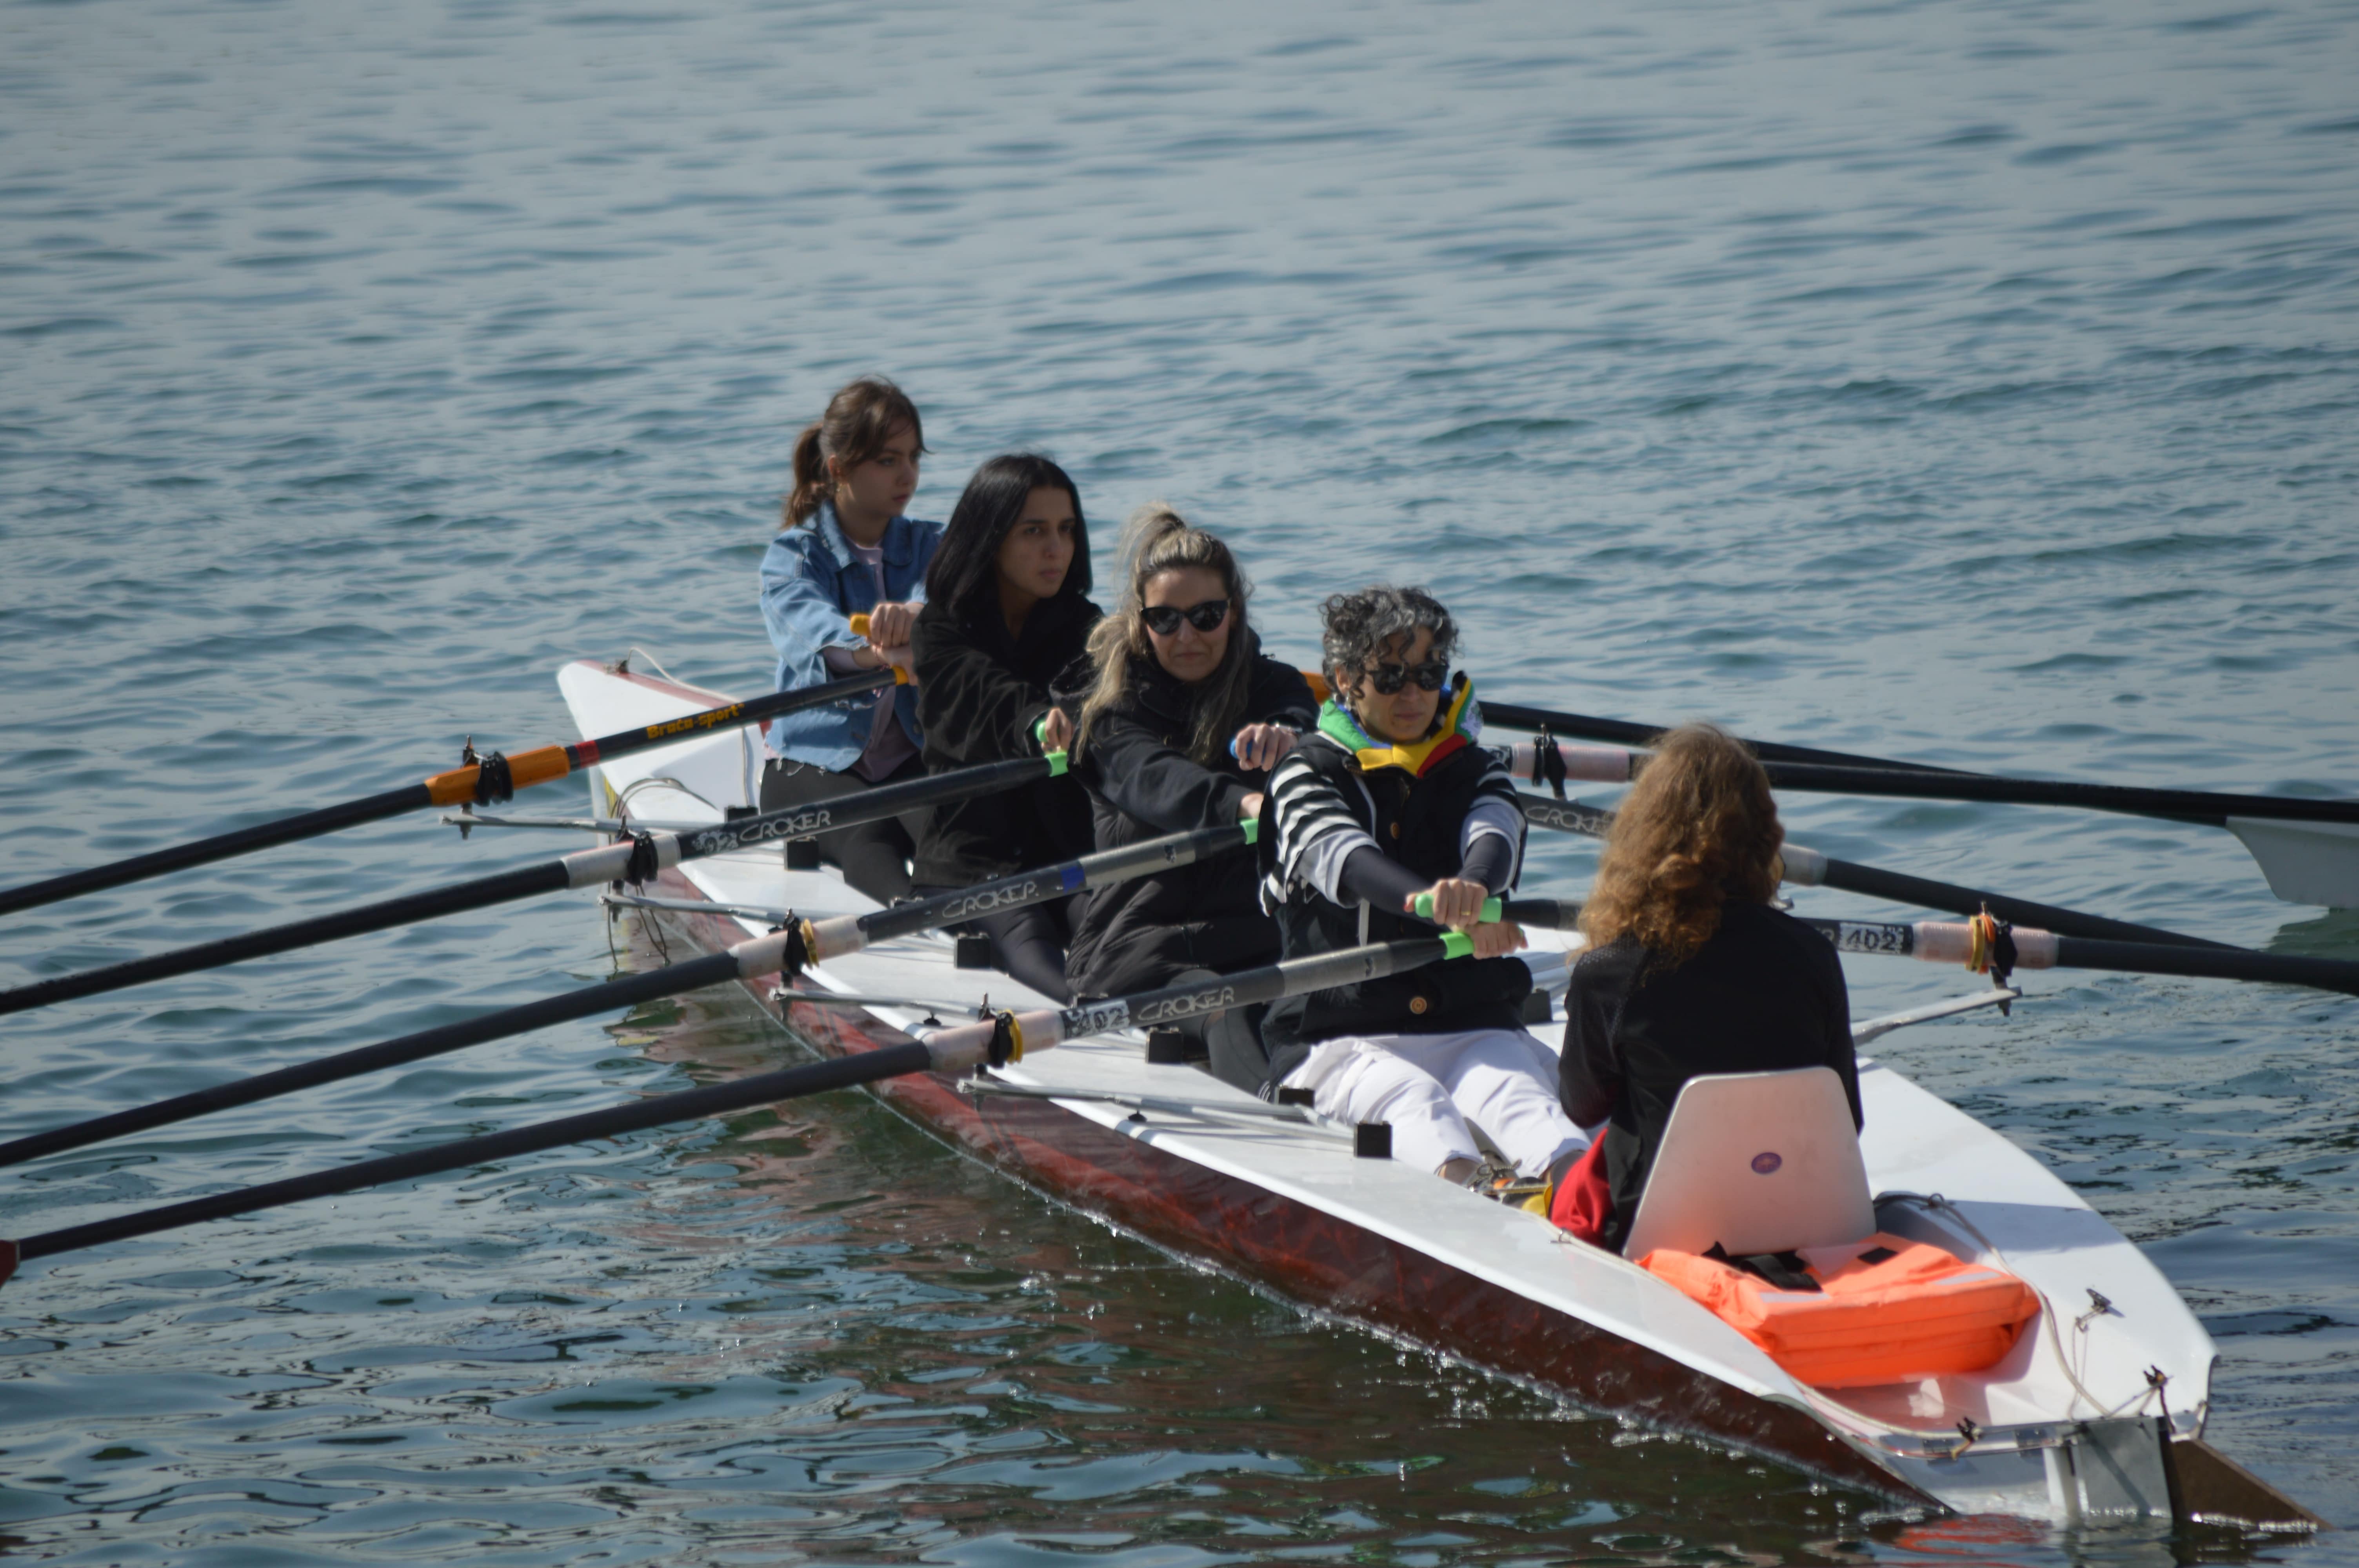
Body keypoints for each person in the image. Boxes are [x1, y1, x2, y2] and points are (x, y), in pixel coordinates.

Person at [1250, 586, 1589, 1186]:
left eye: (1429, 674)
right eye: (1391, 676)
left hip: (1470, 1021)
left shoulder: (1476, 767)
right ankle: (1474, 1203)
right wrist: (1439, 906)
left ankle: (1593, 1211)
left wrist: (1474, 889)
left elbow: (1496, 838)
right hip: (1336, 1037)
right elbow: (1347, 859)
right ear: (1344, 679)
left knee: (1538, 1119)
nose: (1413, 693)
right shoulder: (1303, 773)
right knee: (1419, 1110)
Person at [1557, 723, 1860, 1254]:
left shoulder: (1609, 973)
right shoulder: (1814, 954)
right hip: (1807, 1216)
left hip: (1666, 1232)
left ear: (1643, 837)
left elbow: (1582, 1107)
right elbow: (1847, 1119)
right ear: (1764, 837)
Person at [1057, 505, 1317, 1035]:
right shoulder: (1108, 713)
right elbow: (1156, 778)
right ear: (1142, 621)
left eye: (1205, 617)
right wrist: (1246, 804)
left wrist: (1291, 742)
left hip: (1256, 928)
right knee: (1228, 1011)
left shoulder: (1275, 689)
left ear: (1234, 613)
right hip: (1140, 941)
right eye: (1165, 620)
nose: (1186, 637)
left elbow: (1314, 737)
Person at [909, 454, 1101, 1002]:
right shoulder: (941, 629)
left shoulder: (1088, 628)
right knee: (1040, 959)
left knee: (1119, 939)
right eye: (1034, 532)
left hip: (1065, 857)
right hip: (971, 867)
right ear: (991, 538)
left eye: (1067, 531)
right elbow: (989, 695)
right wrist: (1039, 722)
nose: (1055, 549)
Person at [756, 377, 940, 904]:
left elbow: (952, 591)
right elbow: (812, 633)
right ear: (839, 469)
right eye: (888, 460)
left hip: (909, 756)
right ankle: (913, 938)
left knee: (955, 835)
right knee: (871, 838)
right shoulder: (792, 557)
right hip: (811, 764)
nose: (908, 475)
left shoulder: (933, 542)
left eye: (913, 458)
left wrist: (919, 617)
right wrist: (880, 654)